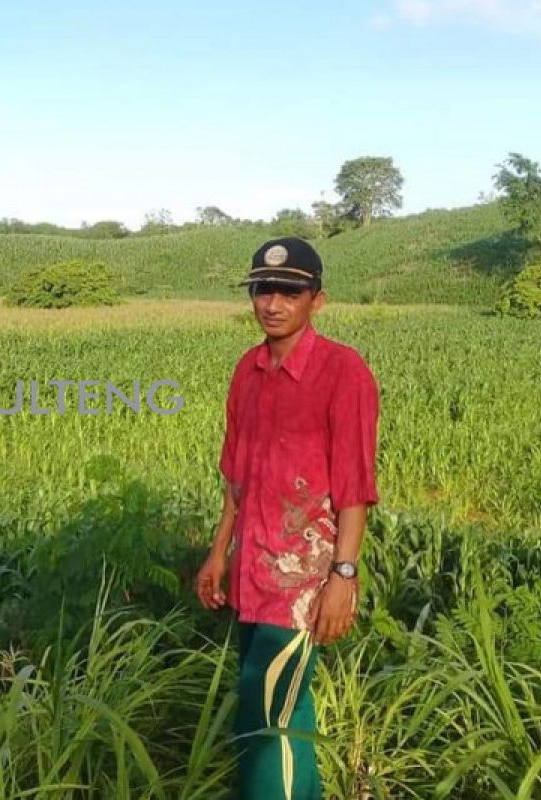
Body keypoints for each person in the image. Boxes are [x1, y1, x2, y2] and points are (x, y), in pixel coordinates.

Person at [195, 237, 380, 800]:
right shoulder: (247, 371)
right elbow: (237, 476)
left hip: (303, 582)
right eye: (262, 289)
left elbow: (353, 487)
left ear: (316, 300)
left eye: (289, 291)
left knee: (267, 713)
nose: (272, 302)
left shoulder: (341, 372)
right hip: (252, 571)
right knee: (278, 713)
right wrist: (218, 551)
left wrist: (342, 579)